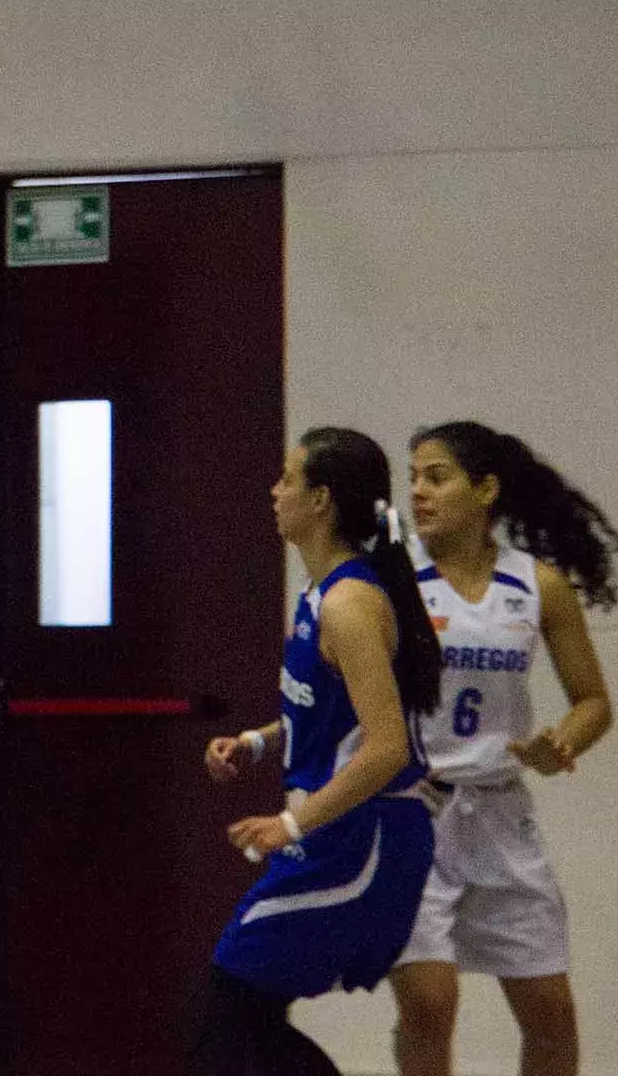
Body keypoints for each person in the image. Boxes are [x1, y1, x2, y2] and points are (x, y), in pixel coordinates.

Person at [196, 426, 443, 1076]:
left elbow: (386, 748)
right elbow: (330, 717)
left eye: (287, 479)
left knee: (229, 1011)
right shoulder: (319, 594)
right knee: (239, 1015)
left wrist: (289, 822)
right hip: (344, 831)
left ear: (321, 501)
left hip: (367, 837)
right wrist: (256, 742)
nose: (274, 491)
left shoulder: (349, 605)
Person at [390, 421, 618, 1076]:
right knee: (430, 1003)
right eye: (413, 479)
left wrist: (562, 742)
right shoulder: (393, 579)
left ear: (485, 489)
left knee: (550, 1011)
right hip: (415, 809)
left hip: (499, 815)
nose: (419, 492)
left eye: (436, 477)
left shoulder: (537, 585)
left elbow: (594, 701)